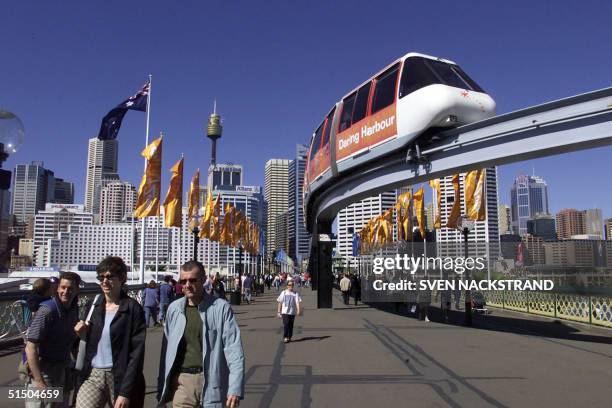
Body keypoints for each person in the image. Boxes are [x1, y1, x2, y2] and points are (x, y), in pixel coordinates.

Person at [158, 261, 244, 408]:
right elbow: (166, 351)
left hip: (212, 380)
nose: (187, 285)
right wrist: (162, 387)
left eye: (192, 280)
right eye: (183, 281)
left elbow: (234, 349)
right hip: (182, 382)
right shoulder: (174, 309)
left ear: (203, 280)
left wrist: (235, 387)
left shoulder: (220, 308)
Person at [74, 256, 146, 408]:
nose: (104, 281)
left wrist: (125, 392)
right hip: (93, 374)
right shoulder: (93, 305)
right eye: (101, 277)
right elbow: (81, 345)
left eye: (109, 276)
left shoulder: (132, 309)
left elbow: (136, 354)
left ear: (121, 278)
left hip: (120, 375)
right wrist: (78, 333)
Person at [25, 272, 81, 408]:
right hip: (44, 371)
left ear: (77, 290)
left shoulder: (73, 311)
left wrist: (79, 368)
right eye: (63, 287)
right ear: (57, 288)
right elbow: (30, 347)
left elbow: (72, 343)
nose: (66, 291)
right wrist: (39, 382)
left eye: (70, 288)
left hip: (63, 369)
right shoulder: (47, 310)